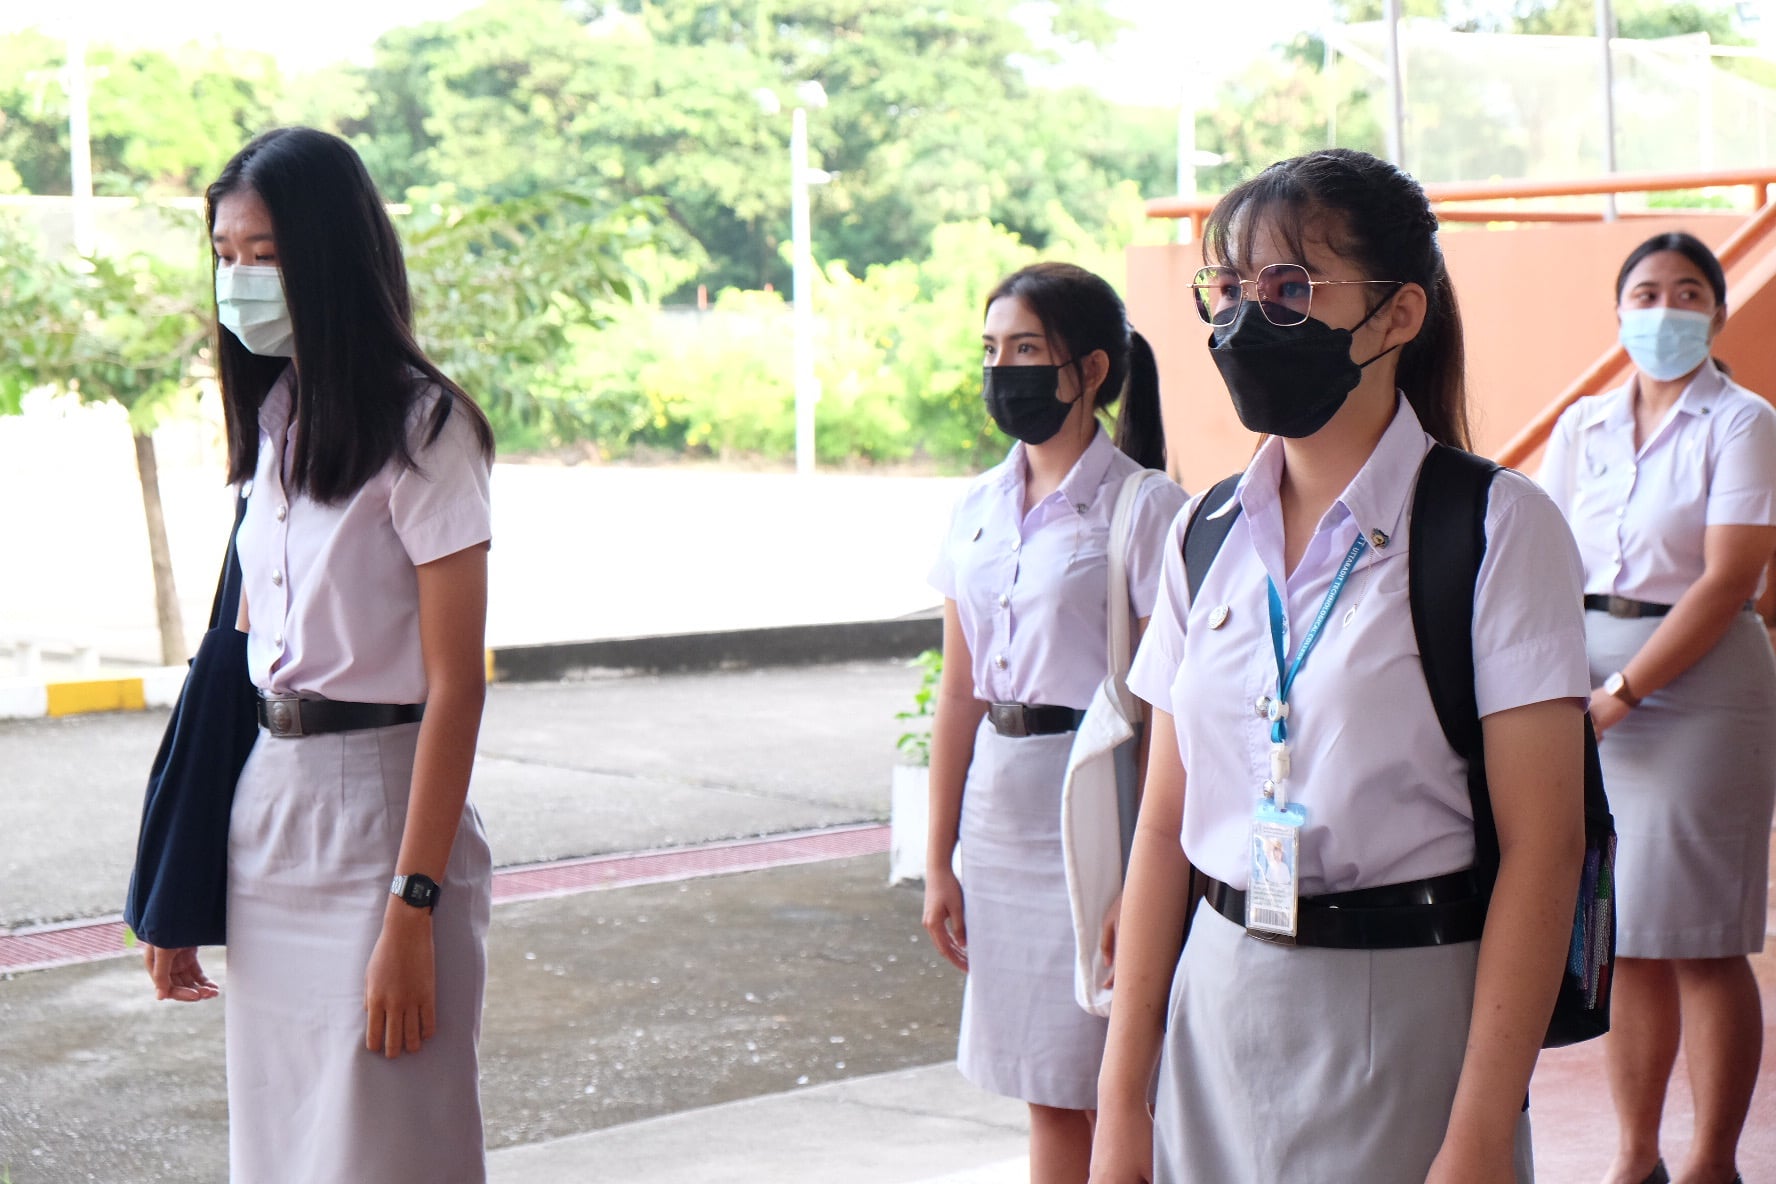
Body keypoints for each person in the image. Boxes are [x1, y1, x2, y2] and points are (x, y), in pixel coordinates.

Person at [1090, 148, 1590, 1184]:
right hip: (1216, 995)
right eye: (1226, 289)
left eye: (1288, 287)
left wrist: (1479, 1133)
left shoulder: (1495, 528)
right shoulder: (1203, 530)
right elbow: (1160, 826)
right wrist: (1119, 1105)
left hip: (1404, 1004)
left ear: (1398, 314)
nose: (1242, 317)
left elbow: (1547, 852)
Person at [137, 126, 497, 1184]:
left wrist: (412, 904)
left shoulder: (428, 429)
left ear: (331, 256)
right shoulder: (276, 422)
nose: (239, 279)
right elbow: (231, 673)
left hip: (385, 820)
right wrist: (179, 888)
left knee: (387, 1151)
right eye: (227, 254)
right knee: (281, 1154)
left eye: (267, 255)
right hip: (271, 811)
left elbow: (457, 685)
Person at [922, 261, 1186, 1183]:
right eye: (992, 350)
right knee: (1045, 1082)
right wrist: (937, 856)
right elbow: (958, 694)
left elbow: (1166, 708)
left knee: (1116, 1079)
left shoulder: (1146, 507)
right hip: (1001, 804)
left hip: (1101, 802)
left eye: (1027, 349)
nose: (1004, 371)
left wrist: (1148, 870)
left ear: (1092, 370)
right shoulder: (974, 507)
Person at [1539, 231, 1776, 1184]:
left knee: (1704, 939)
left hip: (1702, 690)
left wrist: (1623, 694)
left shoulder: (1742, 419)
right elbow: (1542, 559)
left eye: (1687, 293)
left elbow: (1731, 579)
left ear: (1717, 313)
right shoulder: (1581, 425)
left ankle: (1713, 1160)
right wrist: (1571, 693)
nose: (1664, 310)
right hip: (1589, 679)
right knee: (1628, 934)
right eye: (1645, 292)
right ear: (1619, 310)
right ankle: (1635, 1158)